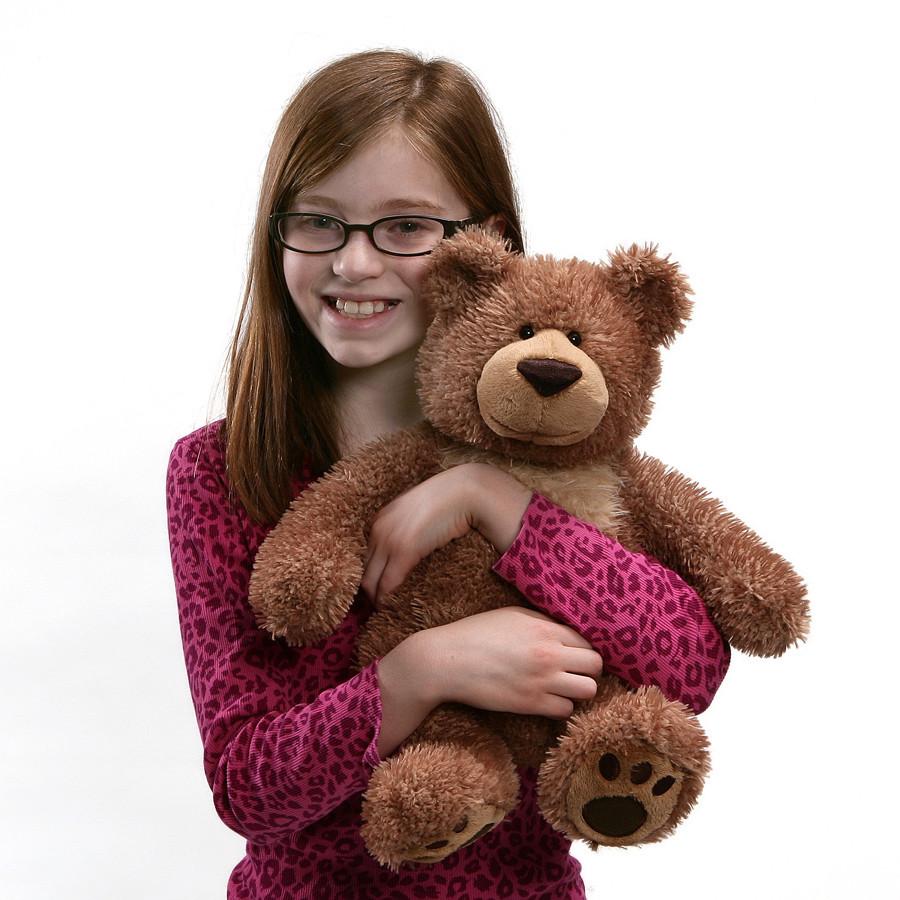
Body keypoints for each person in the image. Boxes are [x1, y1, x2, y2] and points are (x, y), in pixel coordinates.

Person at [166, 50, 730, 900]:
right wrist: (421, 671)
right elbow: (248, 788)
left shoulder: (566, 455)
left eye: (404, 228)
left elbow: (689, 666)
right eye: (318, 221)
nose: (355, 264)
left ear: (483, 244)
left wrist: (497, 501)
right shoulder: (220, 469)